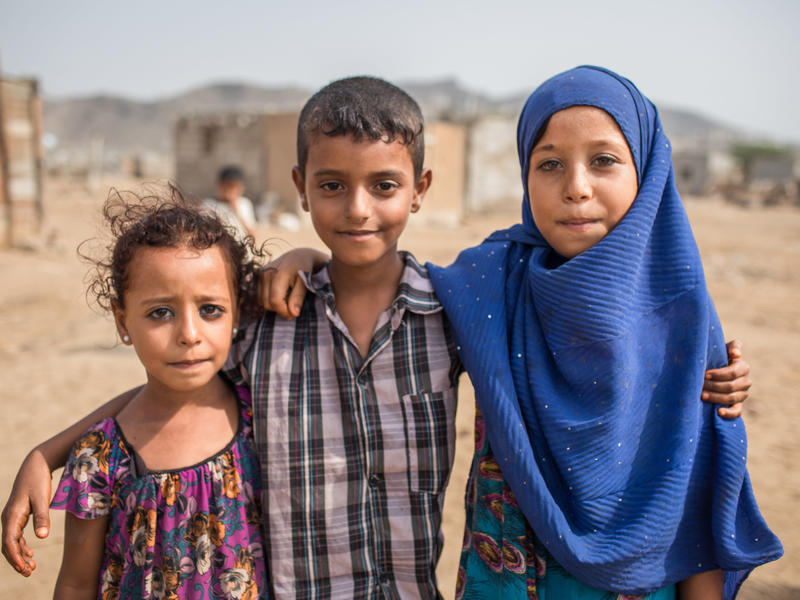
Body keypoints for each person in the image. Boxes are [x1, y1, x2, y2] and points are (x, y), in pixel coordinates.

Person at [3, 77, 752, 599]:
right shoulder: (267, 318)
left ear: (420, 189)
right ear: (301, 187)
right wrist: (54, 450)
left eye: (384, 186)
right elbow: (173, 377)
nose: (358, 209)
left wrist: (711, 373)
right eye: (332, 186)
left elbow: (581, 321)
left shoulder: (458, 306)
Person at [427, 66, 782, 598]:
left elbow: (699, 481)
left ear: (647, 170)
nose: (576, 188)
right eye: (549, 164)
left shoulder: (681, 309)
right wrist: (307, 259)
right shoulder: (490, 281)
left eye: (604, 161)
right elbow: (386, 286)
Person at [48, 190, 269, 598]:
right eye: (160, 313)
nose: (189, 334)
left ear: (237, 312)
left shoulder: (262, 416)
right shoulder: (99, 456)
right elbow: (77, 582)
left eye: (210, 310)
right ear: (122, 321)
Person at [202, 165, 257, 239]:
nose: (232, 190)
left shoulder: (244, 204)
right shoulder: (209, 204)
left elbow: (252, 234)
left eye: (236, 187)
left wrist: (237, 211)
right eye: (228, 186)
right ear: (220, 186)